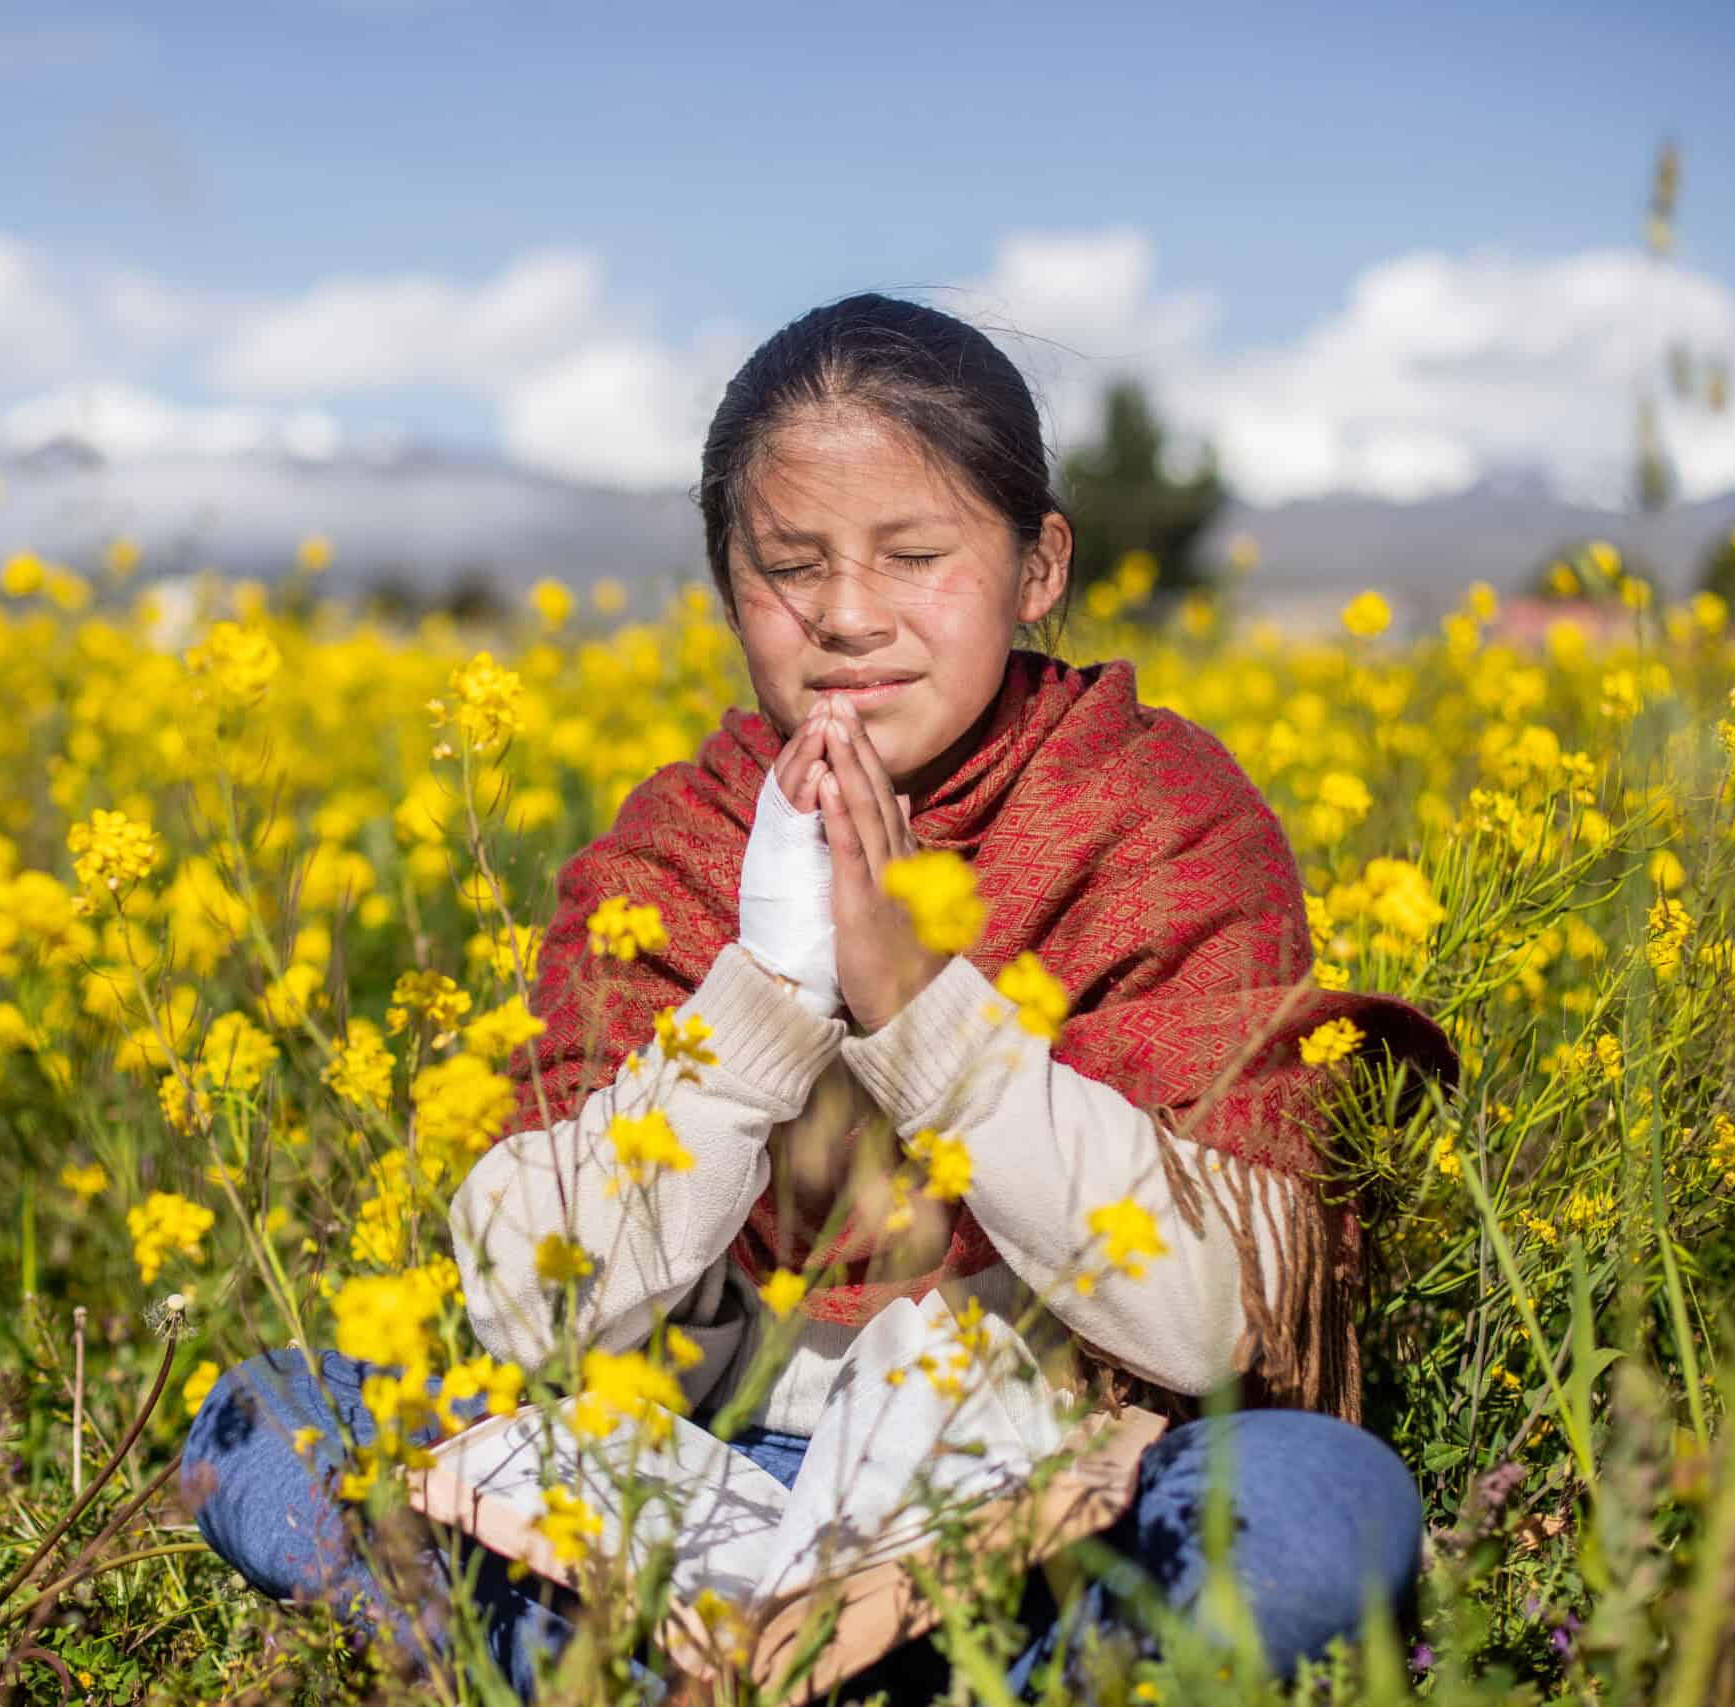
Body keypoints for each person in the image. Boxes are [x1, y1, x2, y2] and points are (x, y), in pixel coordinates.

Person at [183, 292, 1458, 1698]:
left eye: (916, 557)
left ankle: (662, 1673)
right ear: (730, 583)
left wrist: (922, 1012)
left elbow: (1223, 1321)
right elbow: (531, 1318)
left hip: (1020, 1484)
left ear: (1039, 565)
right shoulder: (677, 840)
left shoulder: (1154, 812)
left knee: (1317, 1504)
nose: (849, 620)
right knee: (269, 1424)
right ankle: (881, 1680)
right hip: (684, 1461)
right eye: (792, 568)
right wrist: (771, 989)